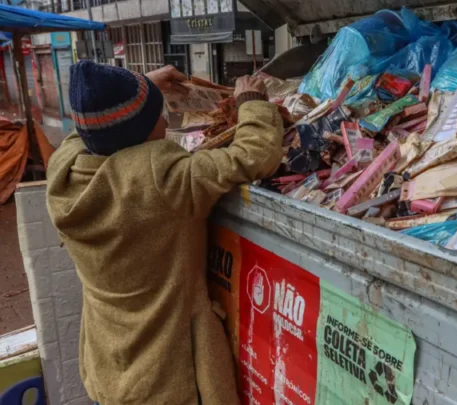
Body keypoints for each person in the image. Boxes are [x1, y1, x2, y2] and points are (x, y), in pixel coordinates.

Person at [46, 61, 283, 405]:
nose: (165, 119)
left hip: (109, 367)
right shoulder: (163, 181)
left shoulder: (63, 171)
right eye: (158, 114)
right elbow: (255, 155)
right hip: (168, 378)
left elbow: (88, 131)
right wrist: (252, 103)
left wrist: (144, 86)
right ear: (142, 133)